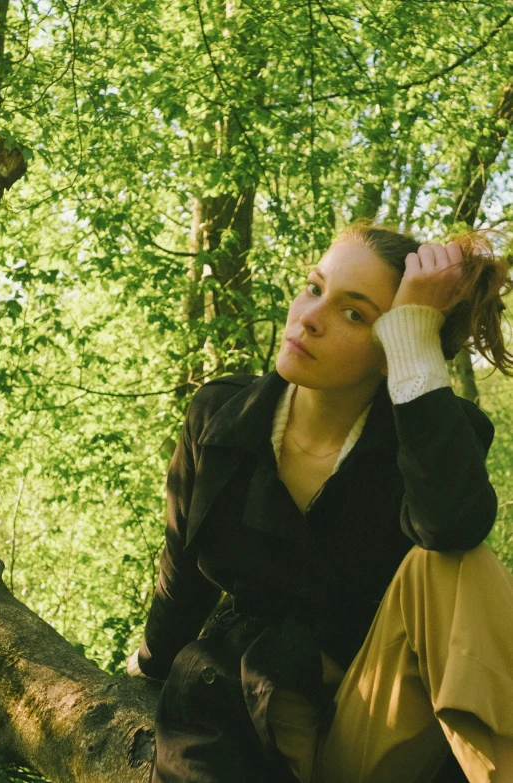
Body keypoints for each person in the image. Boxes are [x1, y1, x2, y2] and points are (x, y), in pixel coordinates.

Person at [127, 222, 513, 783]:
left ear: (395, 346)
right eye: (313, 287)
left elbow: (453, 524)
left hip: (377, 727)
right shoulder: (219, 416)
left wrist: (415, 342)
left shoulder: (434, 434)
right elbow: (183, 568)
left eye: (355, 314)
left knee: (453, 563)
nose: (309, 318)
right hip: (246, 715)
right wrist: (150, 664)